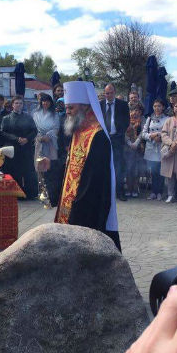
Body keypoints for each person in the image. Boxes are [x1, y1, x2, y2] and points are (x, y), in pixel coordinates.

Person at [50, 81, 120, 250]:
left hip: (87, 208)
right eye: (66, 108)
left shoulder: (98, 136)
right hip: (72, 204)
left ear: (85, 107)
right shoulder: (77, 130)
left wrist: (76, 206)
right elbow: (70, 164)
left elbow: (95, 180)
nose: (67, 112)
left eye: (70, 108)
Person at [1, 96, 38, 199]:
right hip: (13, 148)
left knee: (28, 170)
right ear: (12, 105)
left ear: (23, 105)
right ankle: (15, 193)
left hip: (26, 148)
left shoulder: (28, 117)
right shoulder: (6, 118)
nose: (18, 105)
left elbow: (34, 131)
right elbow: (3, 132)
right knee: (14, 171)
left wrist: (27, 139)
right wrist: (16, 139)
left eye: (20, 103)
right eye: (16, 103)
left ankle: (30, 193)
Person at [101, 83, 130, 201]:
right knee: (105, 167)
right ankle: (106, 193)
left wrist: (120, 133)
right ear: (104, 94)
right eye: (107, 93)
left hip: (117, 139)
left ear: (114, 92)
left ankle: (120, 192)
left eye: (111, 92)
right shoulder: (100, 105)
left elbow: (126, 120)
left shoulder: (122, 105)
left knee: (118, 167)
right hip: (104, 140)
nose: (109, 95)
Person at [33, 93, 61, 206]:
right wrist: (40, 137)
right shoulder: (36, 114)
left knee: (49, 167)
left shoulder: (54, 114)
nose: (45, 103)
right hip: (39, 142)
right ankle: (41, 192)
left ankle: (51, 193)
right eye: (43, 101)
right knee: (39, 167)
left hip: (50, 143)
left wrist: (48, 136)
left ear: (50, 102)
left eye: (47, 101)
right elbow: (32, 128)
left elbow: (56, 128)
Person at [142, 99, 169, 201]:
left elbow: (169, 132)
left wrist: (160, 136)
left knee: (161, 171)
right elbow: (143, 134)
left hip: (162, 147)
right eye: (155, 106)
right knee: (153, 171)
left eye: (159, 106)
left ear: (163, 107)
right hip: (151, 148)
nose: (157, 108)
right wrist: (151, 136)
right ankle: (153, 192)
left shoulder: (167, 119)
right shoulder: (149, 119)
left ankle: (160, 192)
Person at [124, 103, 145, 198]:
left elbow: (143, 133)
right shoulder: (126, 120)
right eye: (132, 110)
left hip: (138, 148)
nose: (134, 112)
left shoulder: (143, 121)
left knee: (136, 169)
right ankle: (129, 188)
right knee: (128, 169)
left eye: (137, 110)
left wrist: (136, 143)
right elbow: (123, 132)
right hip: (127, 148)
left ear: (140, 112)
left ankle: (135, 188)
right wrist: (129, 143)